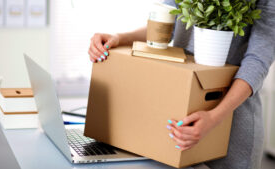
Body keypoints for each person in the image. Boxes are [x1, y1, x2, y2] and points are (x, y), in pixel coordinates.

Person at [87, 0, 275, 168]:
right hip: (179, 109)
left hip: (232, 118)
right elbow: (165, 25)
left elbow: (257, 61)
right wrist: (118, 37)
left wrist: (214, 117)